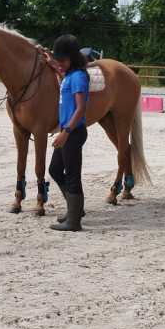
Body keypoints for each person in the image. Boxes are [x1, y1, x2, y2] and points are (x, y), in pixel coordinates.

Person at [49, 34, 90, 232]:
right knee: (55, 170)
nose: (60, 64)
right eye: (59, 61)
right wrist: (53, 64)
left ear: (72, 58)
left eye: (63, 61)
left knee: (72, 175)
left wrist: (65, 132)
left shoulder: (79, 77)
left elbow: (80, 109)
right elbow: (64, 78)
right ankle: (76, 210)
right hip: (67, 132)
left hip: (73, 132)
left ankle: (74, 221)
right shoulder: (69, 75)